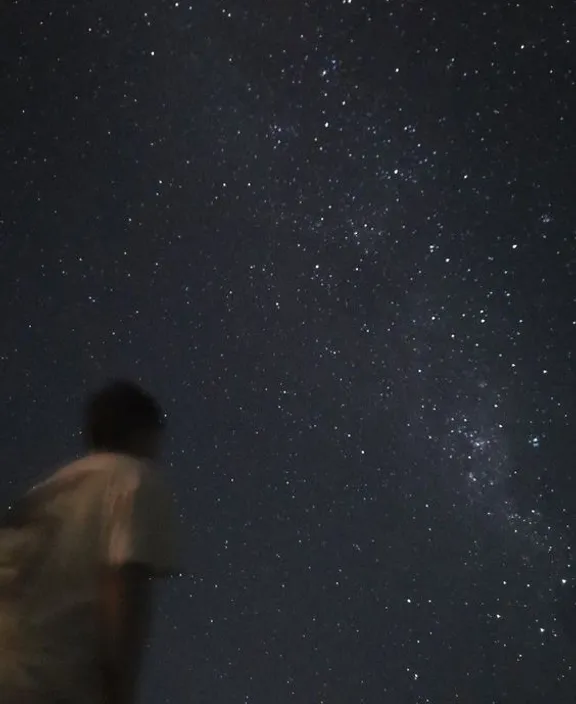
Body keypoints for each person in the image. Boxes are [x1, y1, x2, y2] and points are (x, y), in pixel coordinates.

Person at [0, 379, 179, 704]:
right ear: (143, 432)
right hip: (53, 685)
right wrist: (120, 690)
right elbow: (125, 579)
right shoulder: (133, 477)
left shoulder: (51, 490)